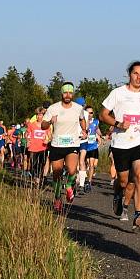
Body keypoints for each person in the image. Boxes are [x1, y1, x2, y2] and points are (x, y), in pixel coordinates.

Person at [100, 61, 140, 231]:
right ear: (129, 75)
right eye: (135, 73)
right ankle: (118, 193)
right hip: (121, 143)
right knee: (124, 181)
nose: (138, 77)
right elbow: (103, 115)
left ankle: (138, 214)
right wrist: (118, 123)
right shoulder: (117, 93)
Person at [42, 83, 87, 212]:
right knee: (57, 173)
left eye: (70, 93)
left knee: (72, 170)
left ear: (73, 94)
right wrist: (50, 121)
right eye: (65, 93)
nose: (68, 95)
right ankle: (57, 199)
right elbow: (43, 126)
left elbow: (82, 119)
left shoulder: (78, 108)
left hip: (72, 144)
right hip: (57, 144)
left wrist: (84, 130)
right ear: (61, 93)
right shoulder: (53, 108)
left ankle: (68, 186)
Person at [81, 106, 101, 191]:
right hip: (84, 145)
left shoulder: (96, 121)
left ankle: (89, 182)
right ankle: (82, 179)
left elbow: (97, 130)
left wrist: (102, 136)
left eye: (91, 113)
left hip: (92, 145)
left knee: (91, 164)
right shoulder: (83, 122)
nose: (90, 114)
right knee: (83, 163)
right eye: (88, 112)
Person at [27, 110, 48, 185]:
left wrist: (47, 140)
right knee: (33, 163)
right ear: (36, 116)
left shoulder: (46, 125)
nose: (40, 117)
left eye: (41, 115)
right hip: (33, 147)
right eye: (38, 115)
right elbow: (28, 133)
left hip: (43, 147)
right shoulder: (31, 124)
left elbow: (50, 135)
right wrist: (28, 140)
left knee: (42, 163)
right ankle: (34, 175)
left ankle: (38, 178)